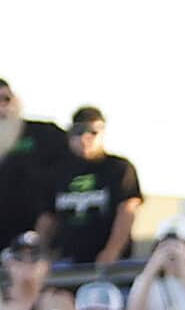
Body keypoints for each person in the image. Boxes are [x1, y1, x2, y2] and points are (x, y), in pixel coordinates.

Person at [0, 80, 67, 271]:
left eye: (5, 99)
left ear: (16, 100)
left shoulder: (46, 133)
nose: (0, 107)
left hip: (40, 242)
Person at [36, 107, 140, 267]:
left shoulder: (119, 168)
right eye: (78, 132)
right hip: (66, 260)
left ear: (102, 133)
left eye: (93, 132)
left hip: (110, 261)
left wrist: (112, 251)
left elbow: (127, 211)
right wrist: (41, 253)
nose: (85, 138)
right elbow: (47, 217)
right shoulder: (55, 171)